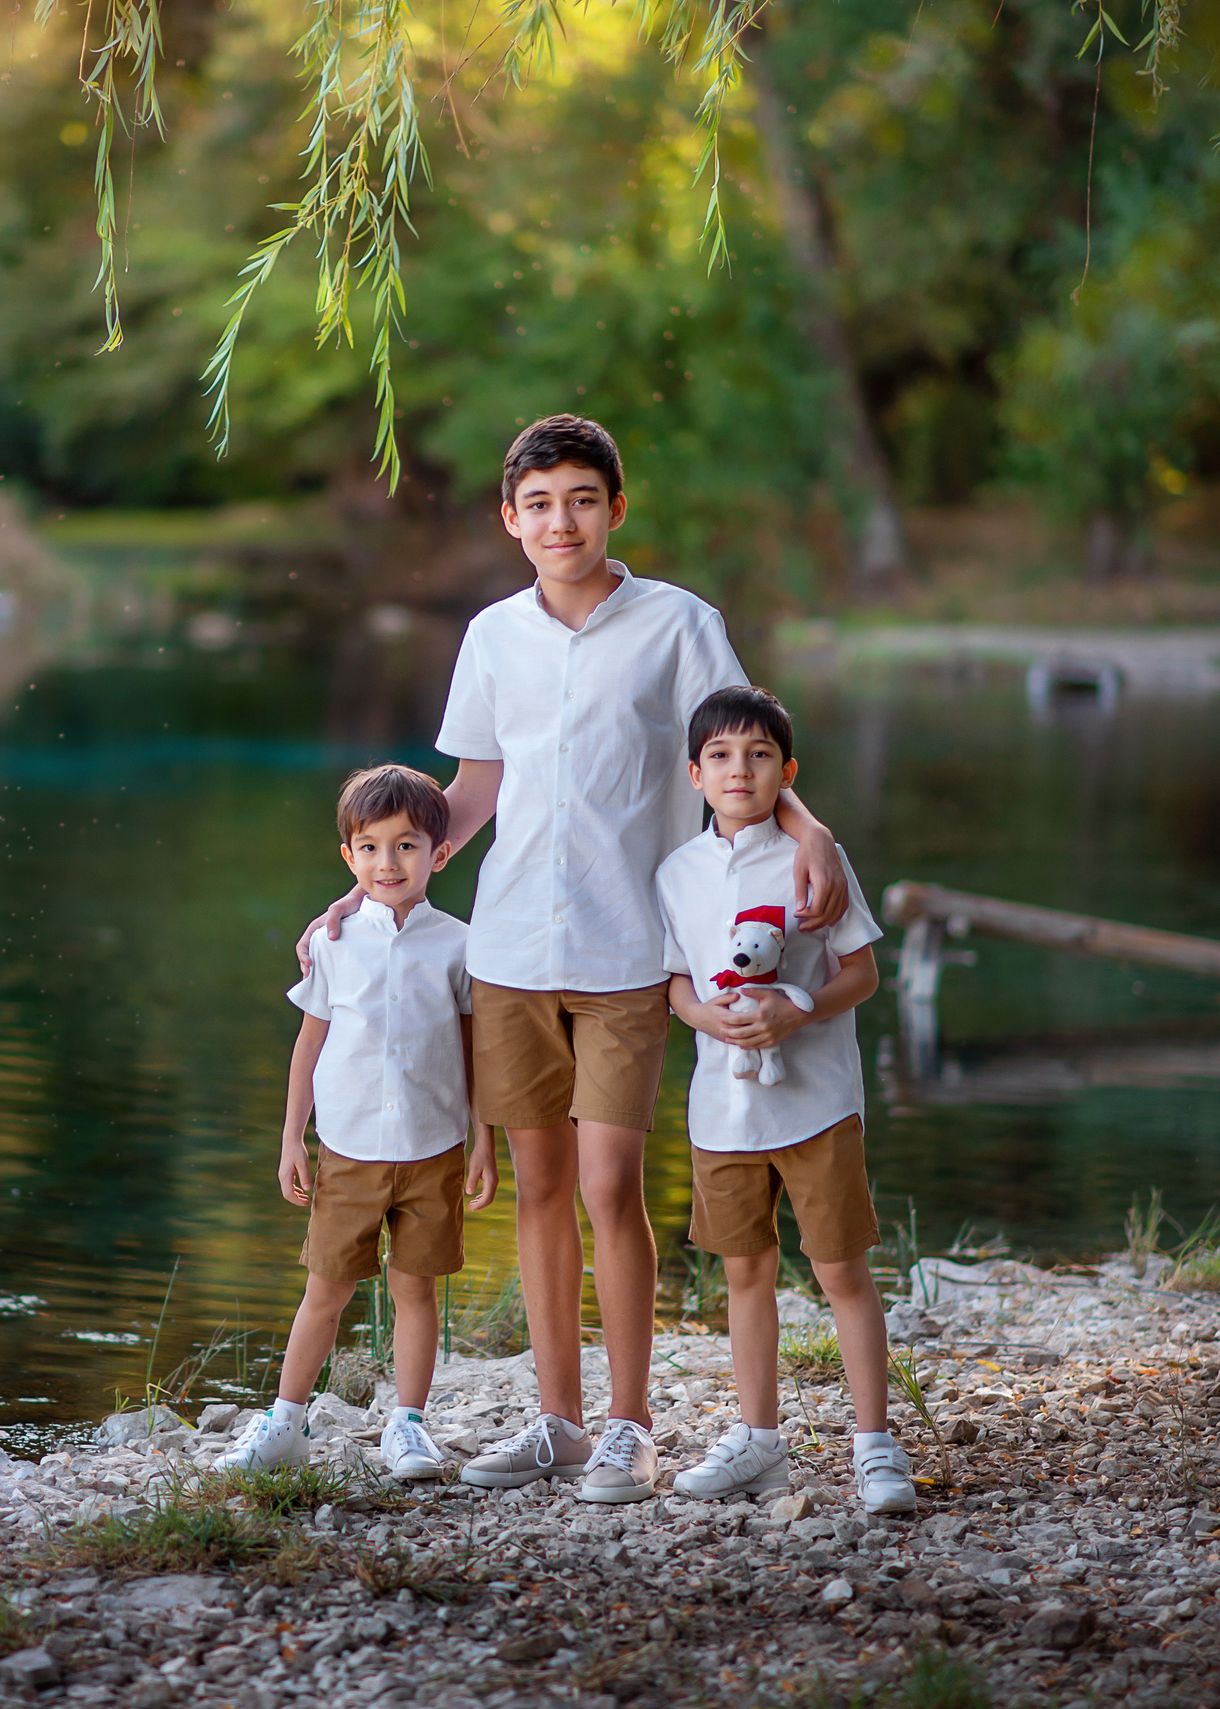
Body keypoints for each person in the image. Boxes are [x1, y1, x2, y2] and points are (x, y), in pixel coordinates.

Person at [300, 415, 849, 1505]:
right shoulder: (492, 636)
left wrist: (808, 828)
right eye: (539, 503)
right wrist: (376, 885)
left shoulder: (679, 625)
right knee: (539, 1188)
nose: (562, 520)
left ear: (615, 509)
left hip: (626, 949)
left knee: (609, 1184)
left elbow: (738, 750)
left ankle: (628, 1428)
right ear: (510, 519)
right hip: (508, 950)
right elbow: (471, 788)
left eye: (582, 499)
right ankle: (555, 1419)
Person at [655, 685, 917, 1515]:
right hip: (722, 1110)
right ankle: (758, 1441)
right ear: (694, 773)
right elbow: (675, 981)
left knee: (839, 1265)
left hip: (816, 1103)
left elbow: (862, 973)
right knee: (745, 1271)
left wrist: (793, 1006)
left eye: (760, 755)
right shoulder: (676, 873)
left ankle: (874, 1445)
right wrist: (703, 1015)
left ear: (787, 771)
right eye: (723, 757)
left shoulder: (813, 862)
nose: (741, 769)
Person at [222, 764, 500, 1480]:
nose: (388, 862)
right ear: (349, 856)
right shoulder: (334, 943)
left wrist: (484, 1140)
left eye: (406, 846)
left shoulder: (460, 946)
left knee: (415, 1288)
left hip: (433, 1147)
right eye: (370, 848)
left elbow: (474, 1052)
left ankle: (407, 1425)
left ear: (440, 853)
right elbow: (309, 1041)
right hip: (346, 1149)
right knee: (327, 1287)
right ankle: (285, 1420)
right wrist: (292, 1135)